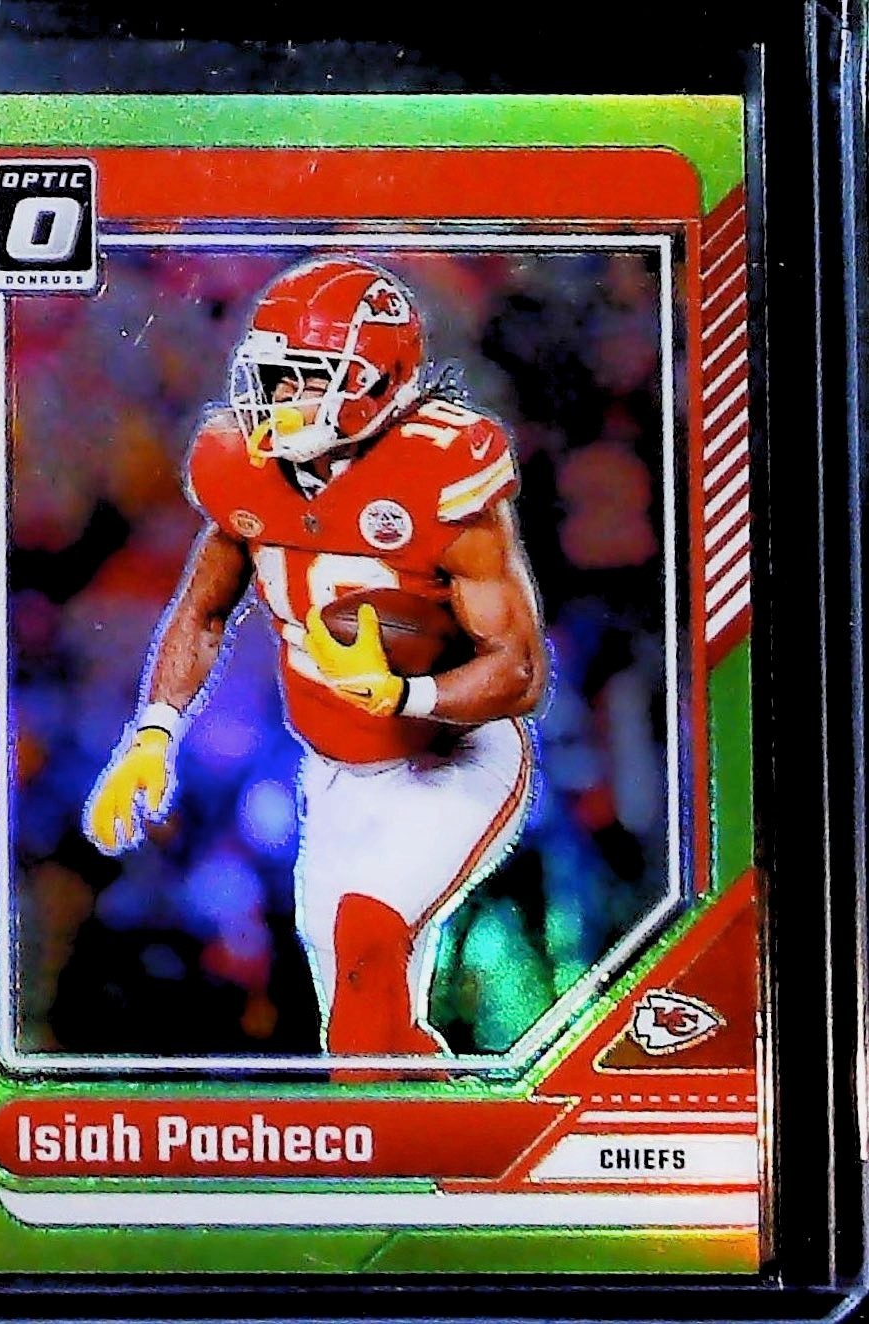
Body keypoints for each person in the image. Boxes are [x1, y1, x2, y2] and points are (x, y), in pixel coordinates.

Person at [85, 256, 547, 1066]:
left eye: (305, 377)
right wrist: (154, 733)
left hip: (451, 753)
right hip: (332, 770)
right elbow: (202, 611)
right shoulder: (243, 467)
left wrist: (404, 693)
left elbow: (519, 669)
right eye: (275, 376)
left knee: (367, 934)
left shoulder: (439, 469)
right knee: (363, 1034)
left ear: (376, 380)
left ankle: (386, 1139)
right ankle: (433, 1126)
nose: (280, 400)